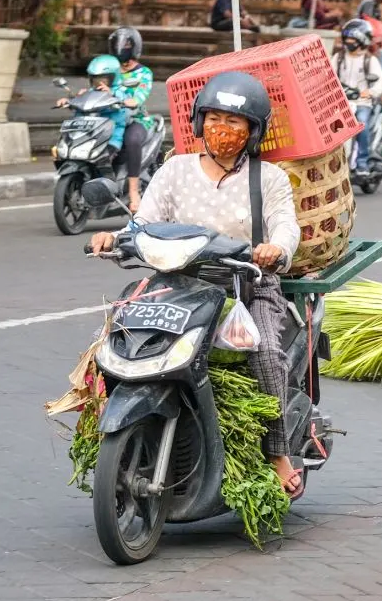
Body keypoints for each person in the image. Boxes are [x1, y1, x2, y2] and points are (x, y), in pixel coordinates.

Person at [89, 71, 304, 496]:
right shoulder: (175, 170)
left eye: (233, 122)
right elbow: (144, 222)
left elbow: (286, 228)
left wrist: (274, 250)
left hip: (244, 284)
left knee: (263, 353)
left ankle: (278, 452)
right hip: (178, 281)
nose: (221, 130)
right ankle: (118, 428)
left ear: (253, 130)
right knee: (117, 338)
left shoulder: (270, 179)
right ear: (198, 121)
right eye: (214, 118)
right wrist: (114, 238)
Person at [108, 27, 154, 213]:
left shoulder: (144, 73)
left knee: (132, 140)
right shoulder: (109, 70)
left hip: (136, 119)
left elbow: (140, 95)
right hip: (110, 118)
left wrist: (132, 101)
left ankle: (134, 192)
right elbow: (96, 86)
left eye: (126, 44)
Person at [331, 19, 382, 176]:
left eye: (352, 40)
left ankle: (362, 163)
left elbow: (381, 82)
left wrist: (370, 92)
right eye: (347, 40)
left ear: (362, 40)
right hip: (341, 102)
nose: (349, 43)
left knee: (361, 125)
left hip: (362, 102)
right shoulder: (338, 58)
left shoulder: (370, 60)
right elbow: (328, 75)